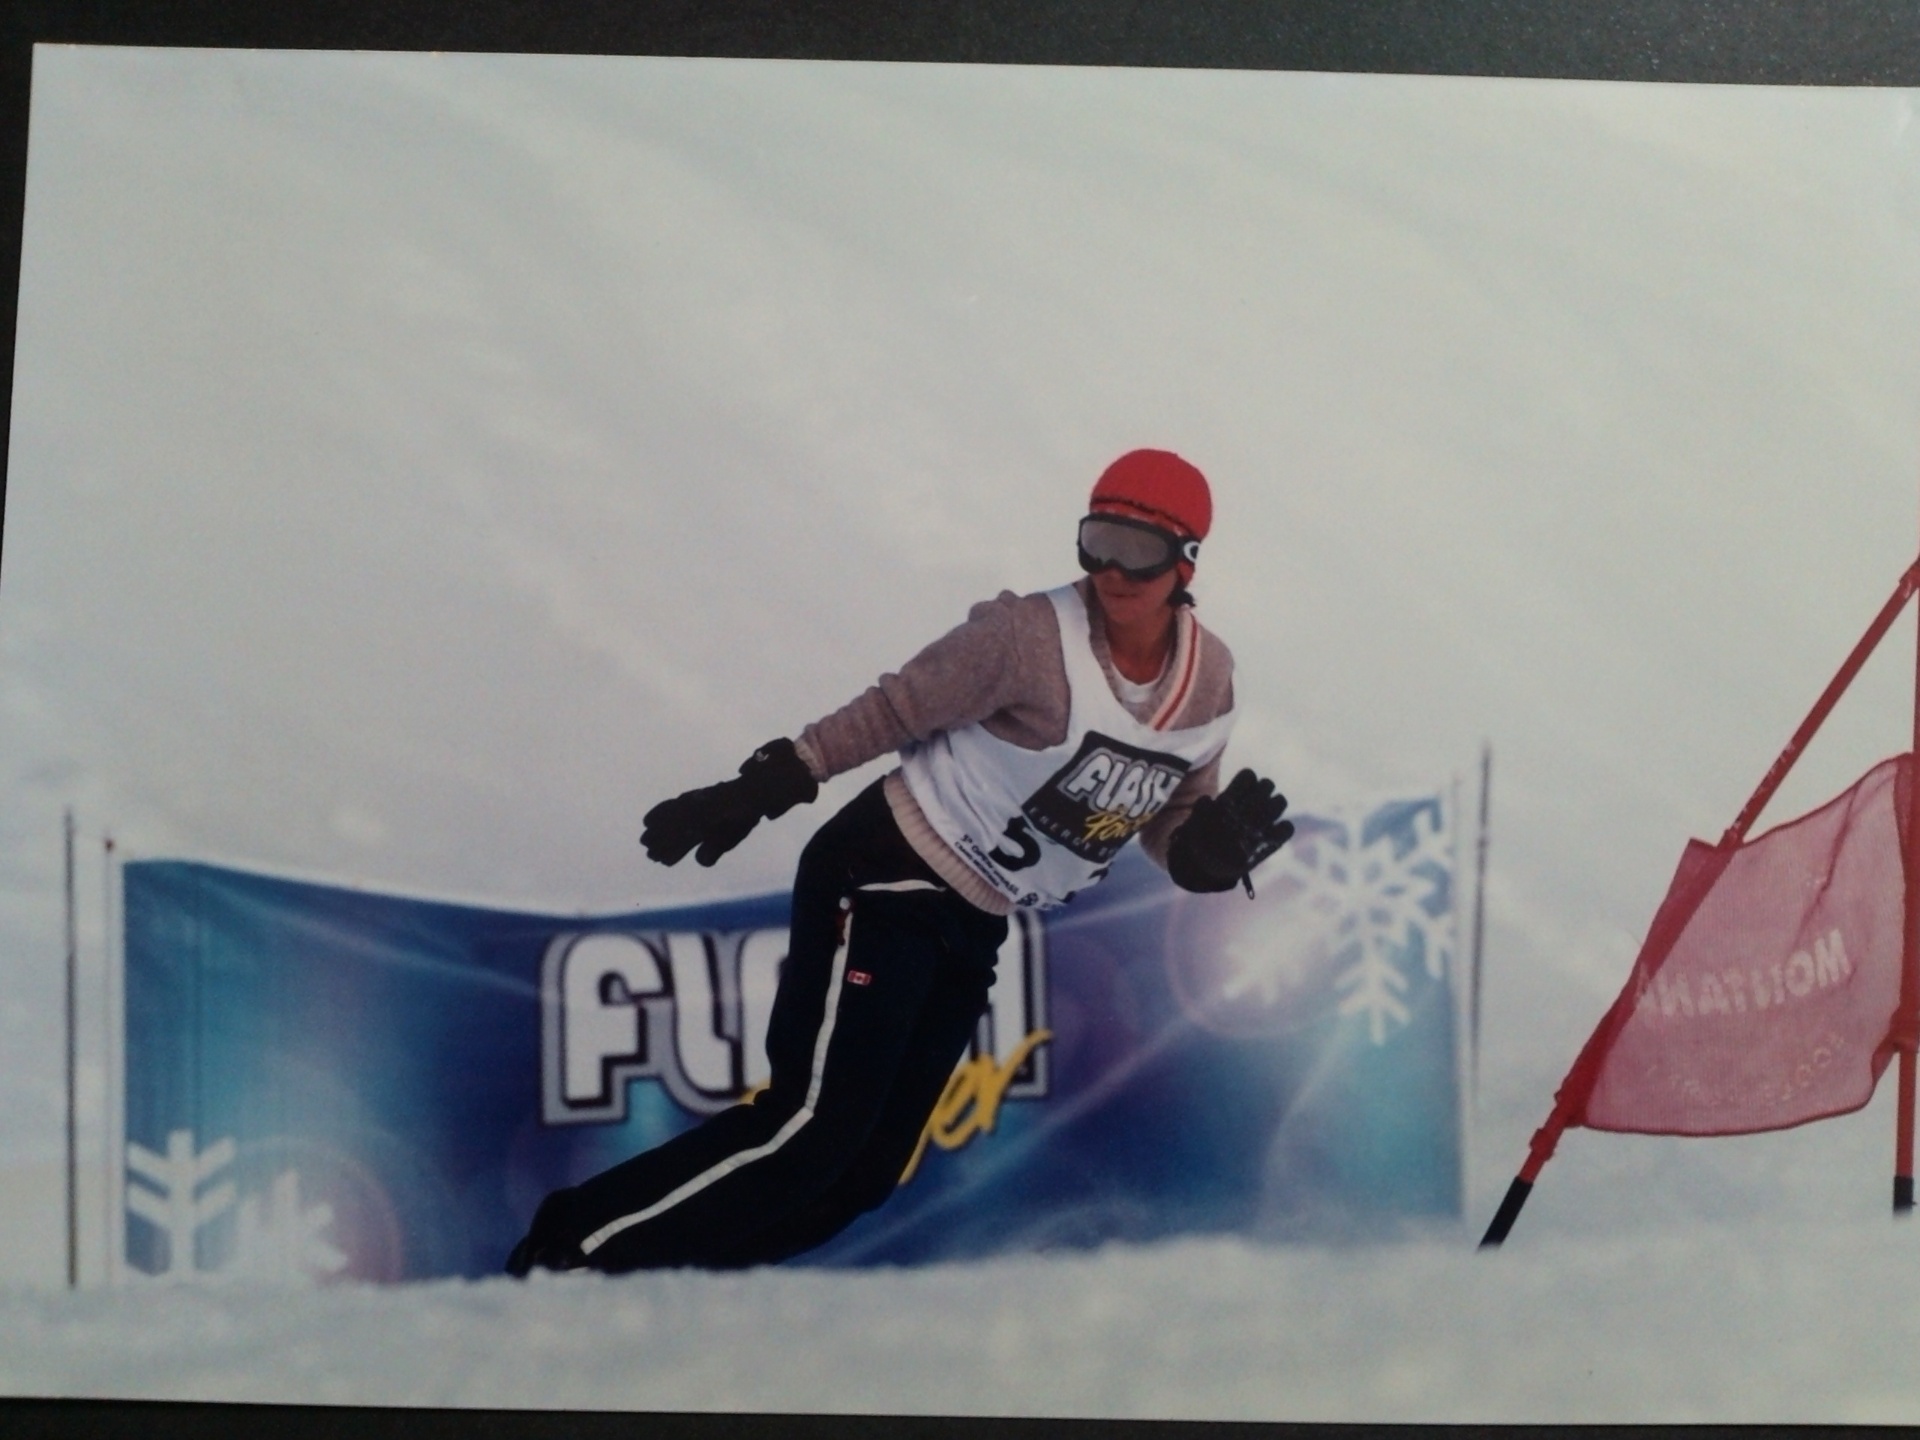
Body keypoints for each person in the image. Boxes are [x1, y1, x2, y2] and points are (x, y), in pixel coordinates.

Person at [506, 448, 1295, 1275]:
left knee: (862, 1175)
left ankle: (664, 1295)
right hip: (887, 867)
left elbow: (1170, 808)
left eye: (1137, 550)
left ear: (1186, 561)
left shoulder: (1209, 684)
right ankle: (567, 1259)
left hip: (978, 916)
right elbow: (895, 708)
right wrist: (764, 785)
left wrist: (1199, 855)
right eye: (1096, 540)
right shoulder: (1027, 637)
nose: (1110, 570)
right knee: (809, 1131)